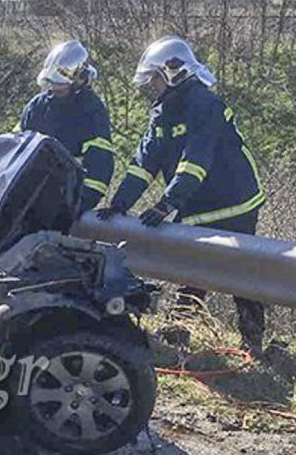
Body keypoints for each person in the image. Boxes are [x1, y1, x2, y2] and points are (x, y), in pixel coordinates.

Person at [99, 36, 267, 354]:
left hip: (234, 201)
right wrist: (120, 203)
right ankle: (179, 331)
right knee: (193, 266)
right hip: (198, 201)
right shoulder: (162, 112)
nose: (152, 85)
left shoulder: (204, 104)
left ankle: (251, 340)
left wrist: (167, 203)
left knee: (239, 272)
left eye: (155, 78)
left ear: (173, 72)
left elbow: (195, 160)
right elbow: (143, 163)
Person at [17, 40, 115, 214]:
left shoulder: (91, 110)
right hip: (31, 198)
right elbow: (16, 148)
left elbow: (100, 165)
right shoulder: (36, 107)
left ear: (79, 80)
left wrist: (78, 206)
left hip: (67, 198)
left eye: (61, 86)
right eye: (52, 84)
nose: (55, 90)